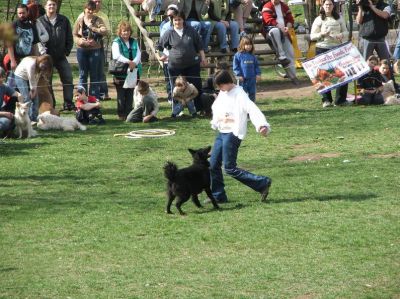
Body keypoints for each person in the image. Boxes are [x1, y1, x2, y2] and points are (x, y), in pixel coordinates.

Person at [208, 69, 272, 204]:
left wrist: (261, 125)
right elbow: (218, 108)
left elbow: (252, 109)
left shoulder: (240, 94)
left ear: (227, 82)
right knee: (213, 164)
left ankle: (262, 183)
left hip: (233, 133)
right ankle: (218, 195)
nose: (219, 88)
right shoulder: (223, 93)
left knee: (229, 168)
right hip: (222, 132)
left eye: (220, 85)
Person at [157, 11, 207, 116]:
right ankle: (177, 111)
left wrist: (203, 58)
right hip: (174, 66)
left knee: (197, 86)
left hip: (192, 65)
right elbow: (159, 47)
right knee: (175, 89)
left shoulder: (191, 31)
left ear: (183, 20)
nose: (177, 22)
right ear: (172, 21)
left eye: (179, 19)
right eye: (175, 20)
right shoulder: (168, 33)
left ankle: (198, 109)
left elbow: (200, 46)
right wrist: (162, 56)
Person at [310, 0, 350, 107]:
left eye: (330, 4)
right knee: (323, 75)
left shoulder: (339, 18)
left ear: (333, 6)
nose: (328, 6)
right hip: (322, 49)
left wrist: (341, 35)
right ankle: (326, 100)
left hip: (337, 49)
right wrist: (322, 34)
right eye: (326, 4)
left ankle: (340, 100)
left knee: (342, 73)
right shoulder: (318, 19)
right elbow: (312, 36)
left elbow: (346, 32)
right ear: (323, 6)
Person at [38, 0, 75, 111]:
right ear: (45, 7)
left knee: (68, 78)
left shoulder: (63, 20)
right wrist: (42, 55)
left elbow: (69, 37)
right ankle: (51, 104)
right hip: (46, 58)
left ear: (56, 6)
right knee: (47, 82)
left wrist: (66, 51)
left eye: (54, 4)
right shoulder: (40, 22)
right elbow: (38, 40)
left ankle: (68, 103)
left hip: (61, 56)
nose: (52, 6)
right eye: (49, 4)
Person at [75, 0, 112, 101]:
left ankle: (94, 97)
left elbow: (105, 31)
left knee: (95, 74)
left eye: (92, 10)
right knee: (83, 74)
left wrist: (93, 28)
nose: (90, 11)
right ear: (85, 9)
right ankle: (81, 97)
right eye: (88, 9)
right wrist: (80, 41)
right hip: (82, 50)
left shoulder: (99, 19)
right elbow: (74, 34)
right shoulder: (80, 19)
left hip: (96, 49)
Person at [111, 21, 142, 120]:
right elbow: (116, 55)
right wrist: (129, 62)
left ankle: (129, 112)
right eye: (124, 31)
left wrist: (134, 63)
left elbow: (138, 54)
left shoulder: (134, 41)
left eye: (128, 31)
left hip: (134, 71)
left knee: (130, 93)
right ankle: (121, 114)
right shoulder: (116, 42)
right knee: (121, 94)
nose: (126, 33)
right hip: (120, 72)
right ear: (120, 32)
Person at [14, 54, 53, 121]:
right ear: (41, 60)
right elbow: (31, 78)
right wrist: (33, 90)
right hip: (20, 76)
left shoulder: (41, 68)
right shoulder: (32, 64)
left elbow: (36, 78)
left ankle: (34, 118)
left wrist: (34, 91)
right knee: (26, 98)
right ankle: (27, 118)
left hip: (30, 78)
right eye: (44, 64)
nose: (44, 67)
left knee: (36, 98)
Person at [261, 0, 295, 71]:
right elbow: (269, 20)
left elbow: (290, 20)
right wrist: (281, 28)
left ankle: (293, 75)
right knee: (275, 31)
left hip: (284, 33)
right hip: (271, 33)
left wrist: (287, 28)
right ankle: (281, 55)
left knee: (291, 53)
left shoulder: (284, 6)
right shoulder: (267, 6)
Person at [7, 4, 40, 71]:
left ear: (27, 12)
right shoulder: (13, 26)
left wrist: (37, 60)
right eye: (20, 13)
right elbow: (9, 45)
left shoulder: (32, 27)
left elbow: (35, 44)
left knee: (27, 80)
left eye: (23, 13)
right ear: (17, 13)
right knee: (15, 80)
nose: (21, 15)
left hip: (28, 59)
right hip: (16, 59)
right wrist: (13, 61)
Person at [233, 36, 261, 102]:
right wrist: (238, 75)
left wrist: (258, 74)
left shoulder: (253, 56)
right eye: (247, 44)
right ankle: (243, 109)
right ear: (242, 45)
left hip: (252, 79)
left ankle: (251, 108)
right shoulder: (238, 55)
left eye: (250, 44)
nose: (249, 46)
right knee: (243, 94)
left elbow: (256, 66)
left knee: (252, 93)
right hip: (242, 80)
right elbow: (235, 67)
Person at [0, 67, 23, 137]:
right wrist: (4, 113)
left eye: (3, 77)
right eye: (0, 77)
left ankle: (7, 133)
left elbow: (18, 94)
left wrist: (21, 105)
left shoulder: (3, 86)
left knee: (12, 118)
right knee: (4, 123)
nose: (2, 79)